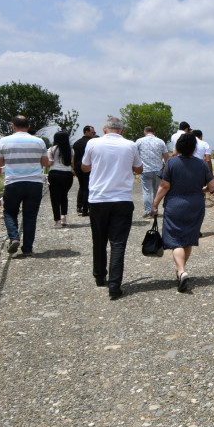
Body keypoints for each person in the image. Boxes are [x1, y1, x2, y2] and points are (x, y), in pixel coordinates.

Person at [82, 116, 143, 299]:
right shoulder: (130, 145)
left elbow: (85, 168)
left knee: (99, 240)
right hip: (122, 199)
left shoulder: (93, 144)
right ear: (122, 131)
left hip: (98, 199)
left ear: (105, 129)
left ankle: (100, 276)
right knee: (118, 243)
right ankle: (115, 285)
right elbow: (139, 168)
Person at [151, 132, 214, 292]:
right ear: (194, 147)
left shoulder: (172, 163)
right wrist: (205, 189)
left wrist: (155, 204)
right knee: (188, 238)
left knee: (175, 239)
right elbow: (213, 185)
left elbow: (164, 186)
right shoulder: (201, 164)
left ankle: (181, 271)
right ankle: (182, 271)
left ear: (178, 146)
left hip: (175, 204)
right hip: (196, 204)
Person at [0, 115, 49, 256]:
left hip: (13, 182)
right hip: (34, 182)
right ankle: (28, 248)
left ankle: (14, 237)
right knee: (30, 216)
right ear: (28, 126)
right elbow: (44, 162)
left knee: (9, 212)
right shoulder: (39, 141)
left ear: (13, 126)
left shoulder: (4, 141)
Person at [134, 126, 169, 218]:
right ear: (154, 132)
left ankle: (148, 212)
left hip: (145, 170)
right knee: (157, 191)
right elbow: (166, 156)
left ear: (145, 132)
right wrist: (167, 168)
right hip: (158, 170)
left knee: (147, 191)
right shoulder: (160, 141)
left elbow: (135, 155)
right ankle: (155, 210)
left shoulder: (139, 141)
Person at [47, 131, 74, 229]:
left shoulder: (52, 149)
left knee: (54, 198)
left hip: (54, 173)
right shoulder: (70, 150)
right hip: (67, 174)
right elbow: (72, 163)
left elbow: (50, 162)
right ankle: (63, 217)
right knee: (64, 195)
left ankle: (57, 221)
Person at [72, 125, 96, 216]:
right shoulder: (91, 142)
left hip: (78, 167)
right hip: (87, 167)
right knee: (87, 187)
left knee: (82, 186)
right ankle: (86, 208)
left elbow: (74, 157)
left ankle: (79, 206)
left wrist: (74, 168)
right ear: (87, 132)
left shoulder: (76, 143)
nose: (94, 134)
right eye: (93, 132)